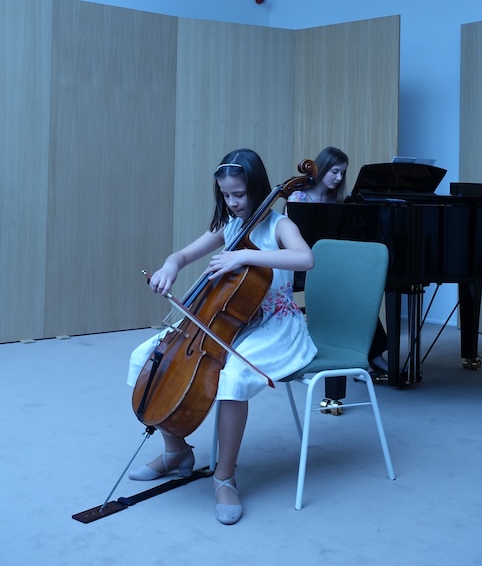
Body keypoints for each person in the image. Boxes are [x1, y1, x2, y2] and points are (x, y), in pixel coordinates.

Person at [126, 149, 317, 525]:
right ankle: (176, 451)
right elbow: (182, 256)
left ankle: (224, 477)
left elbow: (305, 259)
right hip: (230, 321)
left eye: (239, 194)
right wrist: (170, 266)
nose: (233, 202)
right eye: (226, 195)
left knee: (232, 378)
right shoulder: (229, 224)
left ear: (257, 188)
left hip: (275, 324)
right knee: (145, 357)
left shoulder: (279, 225)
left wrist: (245, 257)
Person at [286, 146, 389, 376]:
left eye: (342, 172)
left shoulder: (336, 201)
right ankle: (372, 357)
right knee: (348, 291)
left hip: (328, 267)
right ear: (322, 168)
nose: (339, 177)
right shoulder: (299, 198)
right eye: (334, 171)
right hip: (303, 266)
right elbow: (293, 244)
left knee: (360, 292)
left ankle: (367, 355)